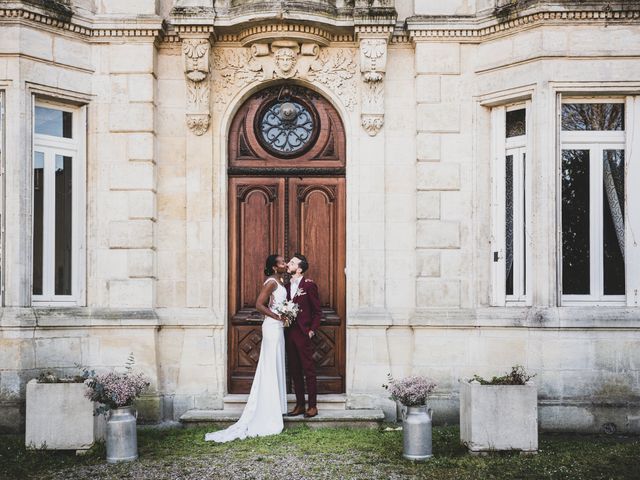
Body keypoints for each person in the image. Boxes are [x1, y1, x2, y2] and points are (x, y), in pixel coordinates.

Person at [205, 254, 288, 442]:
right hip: (272, 327)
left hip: (278, 328)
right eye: (282, 262)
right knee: (269, 366)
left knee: (275, 364)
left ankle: (276, 408)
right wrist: (276, 317)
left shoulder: (279, 281)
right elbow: (259, 304)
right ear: (275, 267)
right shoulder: (271, 283)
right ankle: (267, 412)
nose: (285, 264)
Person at [285, 253, 322, 418]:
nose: (288, 264)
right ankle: (300, 404)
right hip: (288, 333)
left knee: (308, 370)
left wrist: (311, 330)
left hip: (303, 333)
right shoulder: (285, 287)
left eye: (292, 263)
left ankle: (312, 406)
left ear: (299, 268)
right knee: (294, 370)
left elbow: (317, 311)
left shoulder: (309, 286)